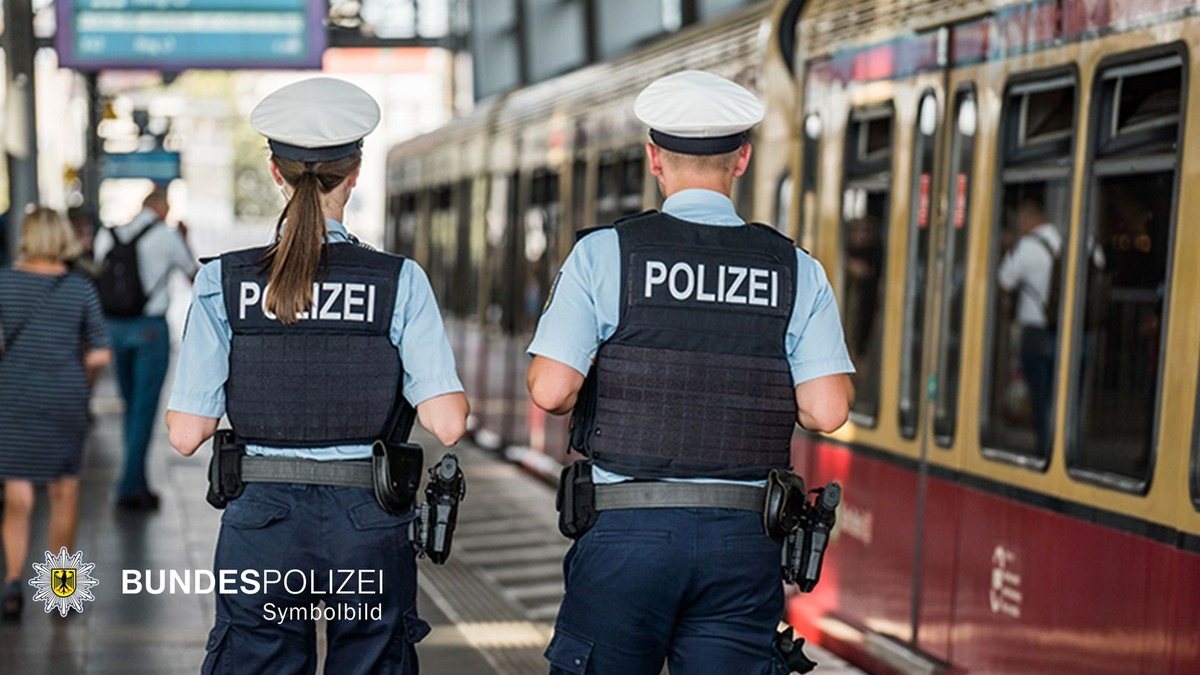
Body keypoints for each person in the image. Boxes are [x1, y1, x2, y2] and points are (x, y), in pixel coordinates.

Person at [526, 70, 855, 674]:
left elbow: (551, 390)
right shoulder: (794, 268)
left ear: (655, 158)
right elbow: (828, 411)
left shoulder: (606, 254)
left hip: (626, 533)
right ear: (742, 160)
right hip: (742, 542)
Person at [164, 77, 468, 674]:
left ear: (276, 174)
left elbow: (185, 433)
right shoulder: (398, 281)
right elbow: (448, 423)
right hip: (367, 519)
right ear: (354, 175)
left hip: (263, 525)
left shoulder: (223, 282)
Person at [0, 208, 112, 619]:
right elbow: (100, 352)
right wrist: (79, 373)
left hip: (12, 395)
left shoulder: (4, 283)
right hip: (64, 395)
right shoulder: (79, 288)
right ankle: (61, 592)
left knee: (18, 495)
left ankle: (13, 582)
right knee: (64, 493)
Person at [94, 187, 198, 510]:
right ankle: (130, 486)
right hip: (149, 330)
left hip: (114, 328)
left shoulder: (108, 234)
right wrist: (184, 237)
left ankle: (135, 479)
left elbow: (100, 273)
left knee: (130, 407)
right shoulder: (167, 236)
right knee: (143, 409)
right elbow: (194, 275)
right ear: (162, 206)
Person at [997, 198, 1061, 457]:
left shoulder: (1028, 246)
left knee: (1040, 395)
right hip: (1069, 332)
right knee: (1062, 395)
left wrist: (1009, 249)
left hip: (1035, 332)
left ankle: (1045, 449)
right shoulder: (1068, 241)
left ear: (1028, 220)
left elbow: (1005, 280)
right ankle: (1063, 447)